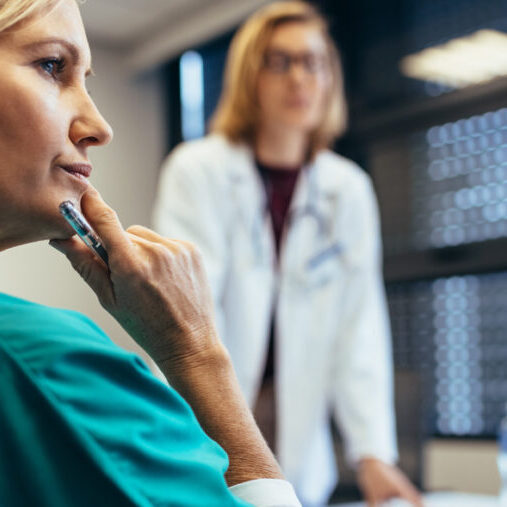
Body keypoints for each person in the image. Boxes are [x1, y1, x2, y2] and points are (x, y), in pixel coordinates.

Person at [0, 0, 302, 505]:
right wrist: (198, 354)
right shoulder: (48, 364)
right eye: (53, 65)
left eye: (89, 81)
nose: (100, 126)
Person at [153, 2, 422, 506]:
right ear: (249, 75)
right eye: (280, 61)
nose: (299, 77)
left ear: (330, 78)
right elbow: (184, 307)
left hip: (300, 430)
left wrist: (372, 455)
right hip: (214, 407)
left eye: (313, 62)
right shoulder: (197, 171)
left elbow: (358, 325)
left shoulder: (348, 189)